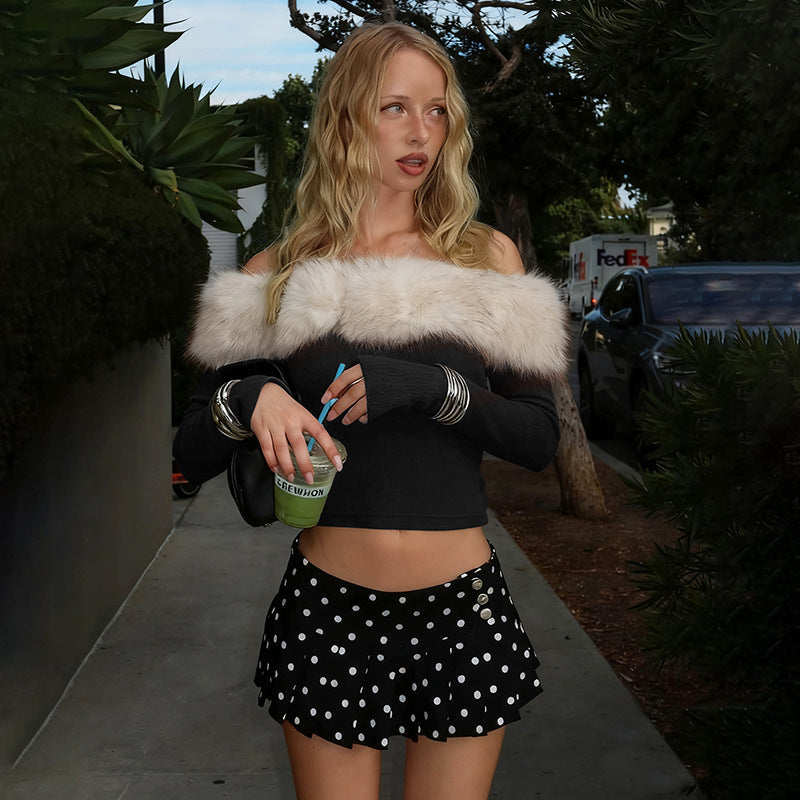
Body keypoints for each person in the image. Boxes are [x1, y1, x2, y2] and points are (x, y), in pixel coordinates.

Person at [174, 20, 567, 800]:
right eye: (395, 108)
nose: (422, 132)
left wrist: (431, 389)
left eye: (438, 110)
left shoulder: (486, 259)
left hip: (462, 609)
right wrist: (253, 396)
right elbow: (185, 456)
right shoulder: (277, 276)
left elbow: (538, 438)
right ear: (347, 119)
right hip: (328, 610)